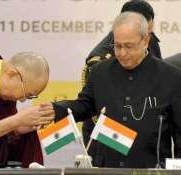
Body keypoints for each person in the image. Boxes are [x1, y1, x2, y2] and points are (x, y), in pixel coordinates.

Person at [50, 12, 181, 168]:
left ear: (146, 41)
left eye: (129, 46)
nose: (122, 53)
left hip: (151, 169)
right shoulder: (99, 71)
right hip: (106, 167)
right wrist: (55, 109)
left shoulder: (171, 77)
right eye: (117, 46)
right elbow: (84, 105)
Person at [82, 0, 162, 154]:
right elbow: (98, 113)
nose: (148, 37)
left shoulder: (149, 41)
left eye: (149, 32)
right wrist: (129, 146)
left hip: (141, 138)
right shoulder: (99, 61)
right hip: (109, 140)